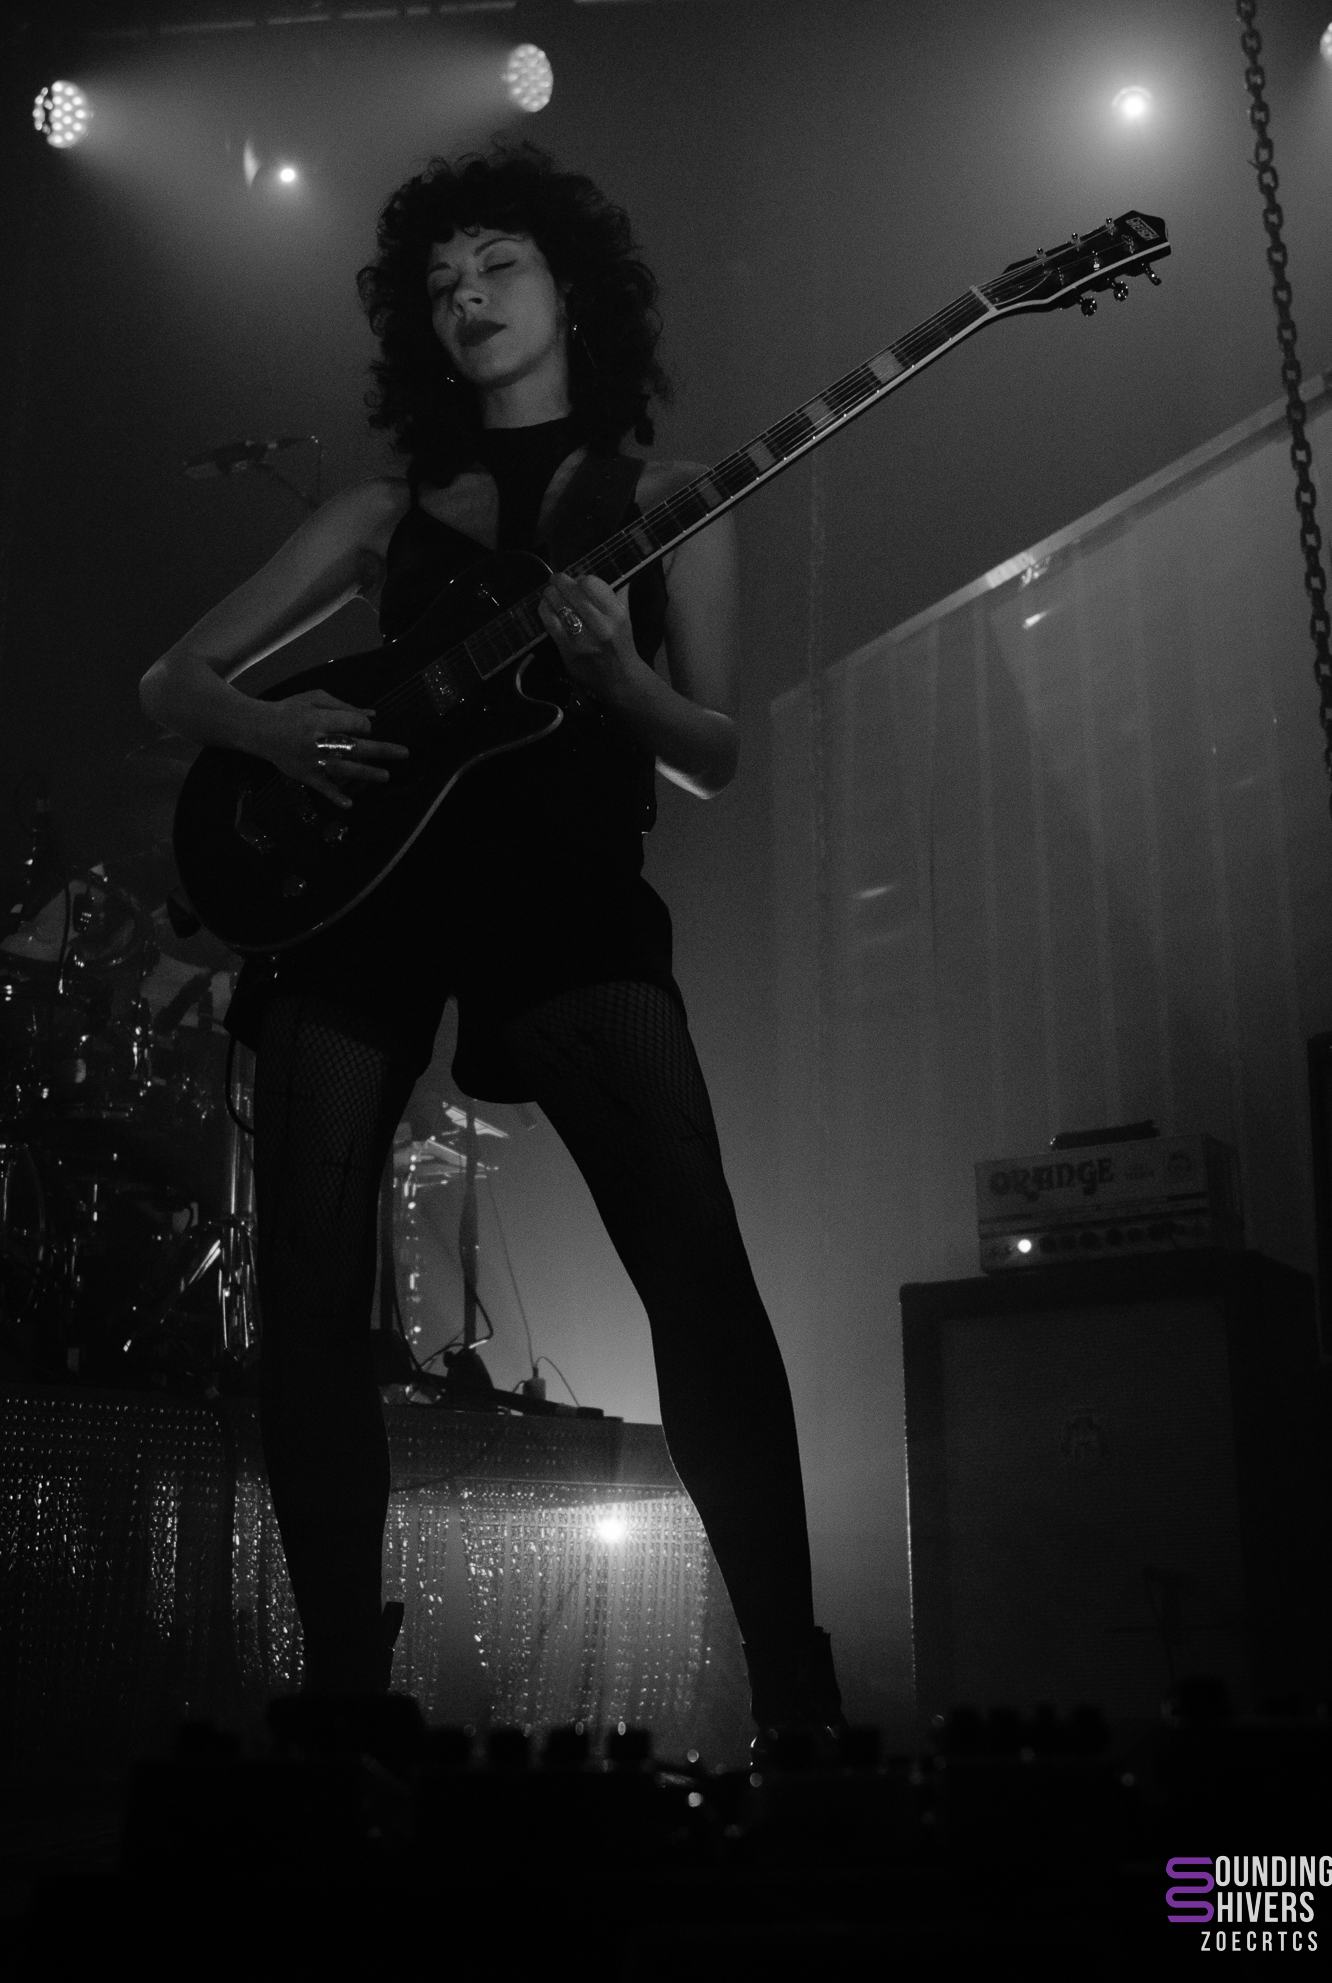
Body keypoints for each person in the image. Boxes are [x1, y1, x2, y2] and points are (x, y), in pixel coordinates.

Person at [140, 144, 843, 1737]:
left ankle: (793, 1691)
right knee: (307, 1286)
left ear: (572, 289)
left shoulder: (670, 501)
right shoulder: (382, 512)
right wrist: (278, 729)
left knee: (695, 1267)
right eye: (440, 283)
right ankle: (343, 1695)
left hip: (562, 893)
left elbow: (711, 750)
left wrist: (619, 682)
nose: (466, 298)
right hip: (363, 902)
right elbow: (171, 682)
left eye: (496, 266)